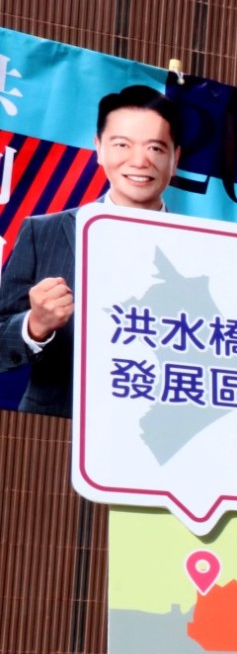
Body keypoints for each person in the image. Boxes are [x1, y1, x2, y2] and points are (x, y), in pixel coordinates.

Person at [0, 85, 181, 416]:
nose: (139, 161)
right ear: (99, 148)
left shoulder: (206, 247)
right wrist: (35, 324)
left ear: (175, 159)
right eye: (122, 144)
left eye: (155, 147)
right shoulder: (43, 232)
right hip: (56, 426)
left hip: (159, 427)